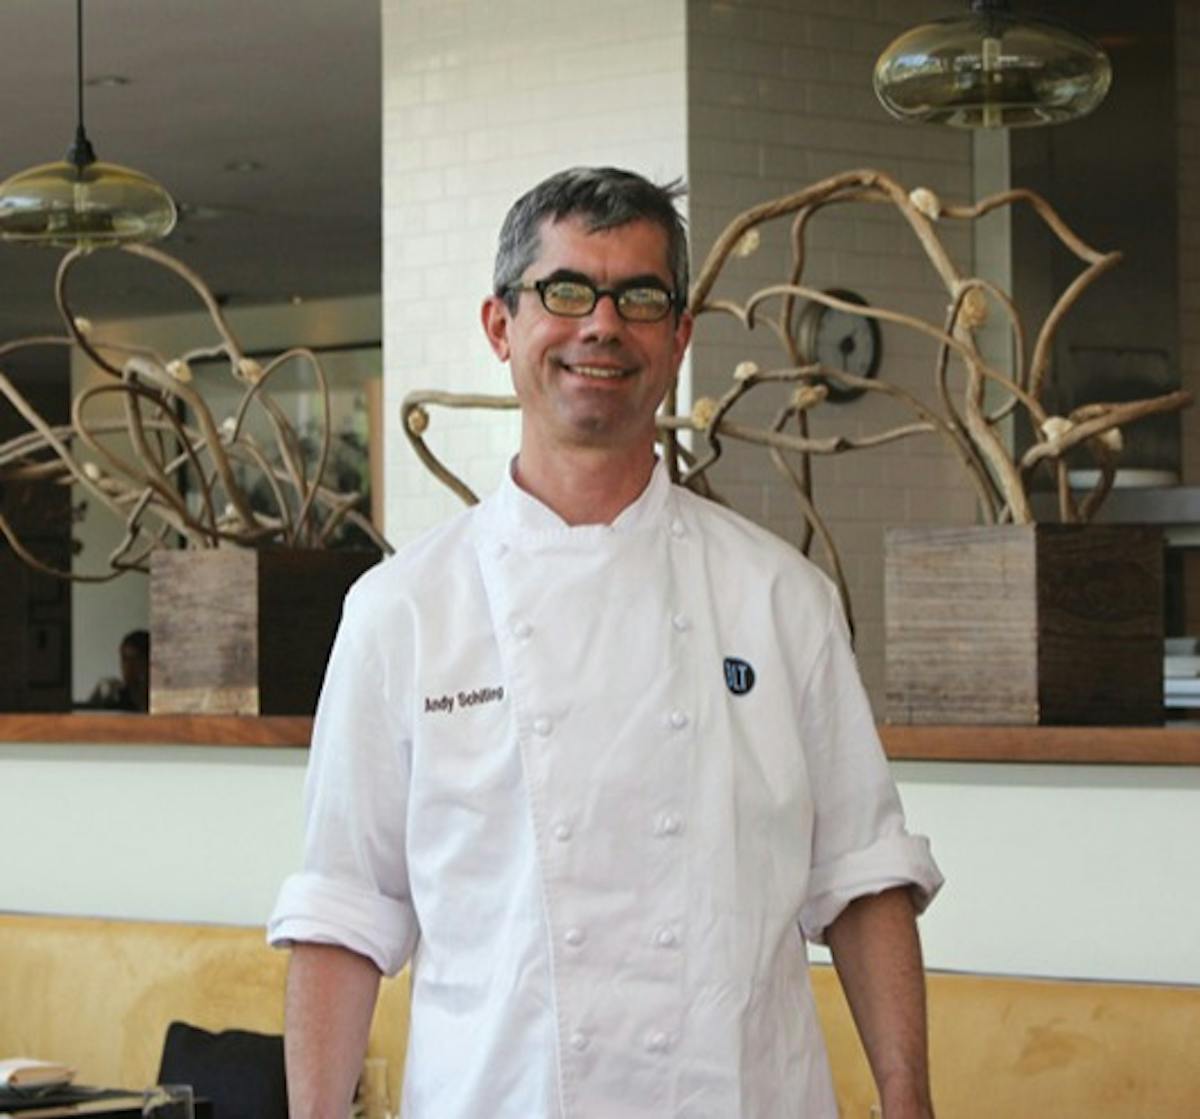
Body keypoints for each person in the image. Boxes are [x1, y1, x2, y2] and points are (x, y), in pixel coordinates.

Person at [269, 167, 944, 1118]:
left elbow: (865, 881)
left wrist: (908, 1104)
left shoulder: (782, 598)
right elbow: (342, 917)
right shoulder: (403, 611)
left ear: (679, 339)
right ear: (501, 327)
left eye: (639, 298)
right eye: (566, 291)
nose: (602, 326)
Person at [84, 628, 149, 711]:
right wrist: (95, 698)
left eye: (137, 659)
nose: (129, 666)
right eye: (125, 659)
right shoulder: (115, 695)